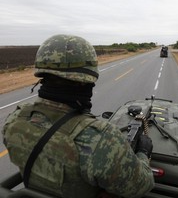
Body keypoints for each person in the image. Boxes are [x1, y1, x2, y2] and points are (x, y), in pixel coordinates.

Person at [2, 34, 154, 198]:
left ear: (42, 75)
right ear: (86, 81)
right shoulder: (102, 139)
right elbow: (141, 186)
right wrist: (143, 153)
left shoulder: (14, 119)